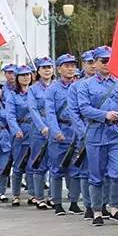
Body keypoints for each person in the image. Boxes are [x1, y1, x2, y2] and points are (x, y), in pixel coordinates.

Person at [78, 45, 118, 225]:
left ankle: (115, 207)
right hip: (96, 134)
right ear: (96, 63)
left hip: (117, 134)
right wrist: (104, 115)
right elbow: (83, 108)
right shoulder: (86, 85)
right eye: (103, 61)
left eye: (110, 60)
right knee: (96, 175)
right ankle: (97, 211)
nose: (107, 64)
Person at [44, 54, 83, 216]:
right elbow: (50, 112)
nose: (70, 68)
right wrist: (55, 131)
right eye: (66, 66)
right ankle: (57, 202)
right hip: (60, 130)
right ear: (59, 69)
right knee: (57, 169)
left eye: (73, 65)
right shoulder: (52, 89)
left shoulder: (81, 86)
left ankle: (74, 202)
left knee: (75, 168)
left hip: (76, 130)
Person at [9, 65, 47, 207]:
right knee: (19, 163)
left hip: (35, 128)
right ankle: (16, 195)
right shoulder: (13, 95)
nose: (26, 77)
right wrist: (15, 129)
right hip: (21, 130)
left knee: (33, 162)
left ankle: (33, 194)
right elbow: (10, 115)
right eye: (22, 75)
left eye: (28, 75)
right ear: (17, 78)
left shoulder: (36, 91)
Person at [29, 57, 56, 208]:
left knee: (54, 163)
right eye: (43, 67)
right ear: (38, 71)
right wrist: (42, 127)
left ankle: (53, 196)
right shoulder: (33, 89)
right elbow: (33, 110)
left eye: (49, 67)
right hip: (39, 130)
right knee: (39, 162)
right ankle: (39, 197)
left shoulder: (57, 87)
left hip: (55, 129)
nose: (47, 70)